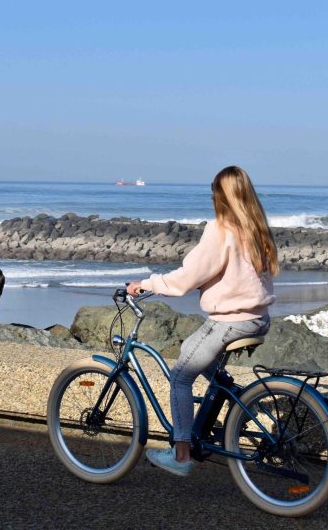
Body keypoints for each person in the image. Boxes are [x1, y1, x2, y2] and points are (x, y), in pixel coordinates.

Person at [127, 165, 278, 477]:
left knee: (181, 376)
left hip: (230, 322)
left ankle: (181, 457)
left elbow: (186, 279)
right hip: (257, 320)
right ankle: (230, 395)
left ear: (218, 196)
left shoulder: (221, 230)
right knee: (191, 347)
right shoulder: (257, 228)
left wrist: (147, 283)